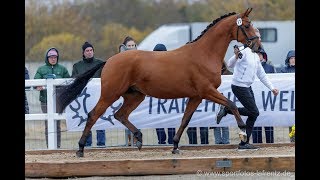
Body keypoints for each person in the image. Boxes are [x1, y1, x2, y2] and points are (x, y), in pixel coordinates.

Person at [215, 27, 279, 150]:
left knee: (253, 114)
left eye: (260, 37)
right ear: (252, 37)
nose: (260, 40)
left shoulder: (256, 55)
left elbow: (261, 74)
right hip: (239, 86)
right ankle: (228, 109)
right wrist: (235, 56)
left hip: (247, 87)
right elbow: (230, 64)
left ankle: (244, 143)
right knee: (254, 112)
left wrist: (272, 88)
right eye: (258, 37)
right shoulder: (243, 51)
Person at [34, 47, 71, 148]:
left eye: (55, 57)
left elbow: (69, 81)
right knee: (48, 124)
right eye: (51, 57)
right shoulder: (41, 69)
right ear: (47, 57)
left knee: (57, 123)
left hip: (58, 101)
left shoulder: (62, 69)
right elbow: (35, 81)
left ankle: (57, 146)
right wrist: (38, 86)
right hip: (45, 101)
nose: (53, 59)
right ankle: (49, 146)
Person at [72, 41, 106, 148]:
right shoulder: (77, 66)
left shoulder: (100, 64)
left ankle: (101, 143)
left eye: (91, 50)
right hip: (84, 98)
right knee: (87, 120)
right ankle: (87, 143)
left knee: (100, 118)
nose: (90, 52)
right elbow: (74, 80)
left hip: (98, 96)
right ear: (83, 53)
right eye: (87, 51)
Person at [152, 43, 176, 145]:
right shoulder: (150, 66)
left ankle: (171, 140)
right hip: (157, 98)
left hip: (169, 97)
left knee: (170, 119)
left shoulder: (171, 66)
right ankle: (161, 141)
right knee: (159, 120)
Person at [118, 36, 140, 146]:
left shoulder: (141, 60)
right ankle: (129, 141)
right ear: (125, 47)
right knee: (126, 114)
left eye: (133, 45)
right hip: (127, 92)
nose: (131, 48)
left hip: (137, 94)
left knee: (137, 117)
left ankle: (136, 139)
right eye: (129, 46)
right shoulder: (120, 62)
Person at [251, 49, 275, 144]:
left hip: (267, 101)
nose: (258, 56)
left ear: (263, 56)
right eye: (256, 54)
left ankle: (270, 143)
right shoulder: (250, 67)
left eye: (260, 54)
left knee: (268, 124)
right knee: (256, 123)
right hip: (254, 99)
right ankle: (257, 143)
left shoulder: (270, 67)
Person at [212, 62, 231, 144]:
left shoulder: (229, 74)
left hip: (226, 101)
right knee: (216, 123)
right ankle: (217, 142)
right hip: (215, 102)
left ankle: (226, 141)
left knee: (225, 124)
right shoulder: (211, 74)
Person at [279, 50, 295, 138]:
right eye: (291, 58)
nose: (293, 60)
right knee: (291, 121)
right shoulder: (283, 70)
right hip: (289, 100)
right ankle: (292, 140)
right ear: (288, 59)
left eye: (294, 58)